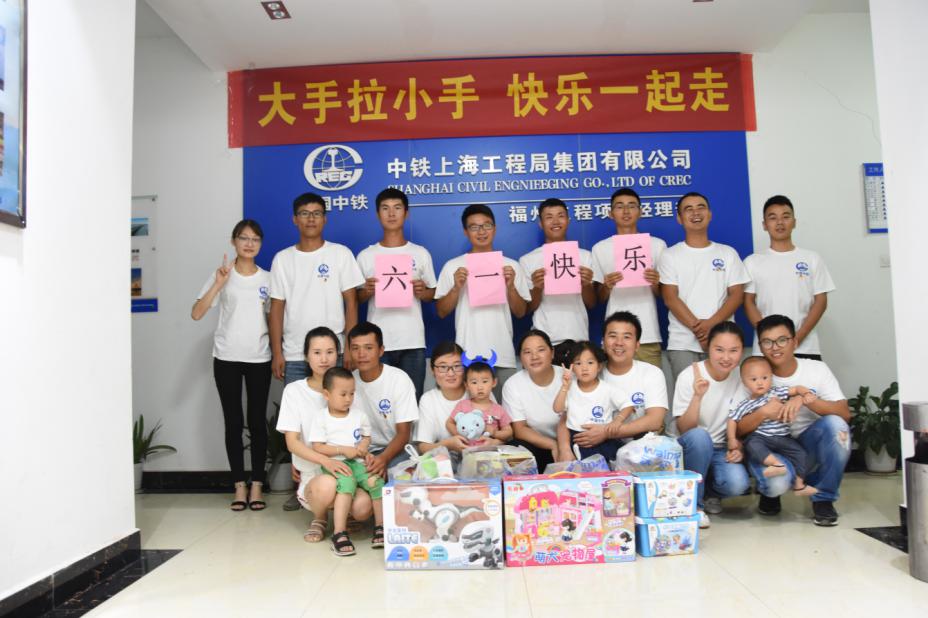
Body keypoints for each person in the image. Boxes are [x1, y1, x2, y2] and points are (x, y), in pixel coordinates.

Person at [735, 314, 850, 526]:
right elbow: (738, 429)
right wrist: (763, 412)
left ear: (795, 342)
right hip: (769, 448)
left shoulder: (816, 369)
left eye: (782, 340)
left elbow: (844, 413)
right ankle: (769, 493)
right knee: (775, 484)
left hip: (807, 444)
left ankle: (823, 498)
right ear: (760, 346)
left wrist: (805, 400)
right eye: (767, 342)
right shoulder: (753, 374)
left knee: (837, 427)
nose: (775, 347)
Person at [191, 219, 272, 511]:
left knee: (257, 423)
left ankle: (257, 484)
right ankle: (239, 485)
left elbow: (275, 319)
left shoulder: (268, 278)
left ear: (260, 244)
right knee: (233, 422)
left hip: (259, 357)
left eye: (255, 239)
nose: (249, 244)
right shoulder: (222, 275)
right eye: (244, 238)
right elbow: (197, 313)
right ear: (233, 241)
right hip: (226, 358)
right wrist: (218, 284)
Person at [275, 327, 373, 544]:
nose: (324, 359)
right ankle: (319, 518)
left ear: (338, 354)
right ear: (306, 356)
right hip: (314, 474)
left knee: (363, 508)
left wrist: (364, 452)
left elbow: (361, 433)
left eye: (330, 352)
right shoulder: (295, 391)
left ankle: (346, 514)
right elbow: (292, 443)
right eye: (317, 352)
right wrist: (325, 461)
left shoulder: (349, 388)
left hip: (349, 470)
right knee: (327, 485)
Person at [435, 204, 531, 399]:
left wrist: (511, 286)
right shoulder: (453, 266)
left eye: (487, 225)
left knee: (504, 414)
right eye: (474, 227)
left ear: (495, 228)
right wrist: (456, 287)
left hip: (502, 354)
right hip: (467, 355)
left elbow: (521, 312)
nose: (481, 232)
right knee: (469, 414)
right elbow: (441, 311)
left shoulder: (511, 266)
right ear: (465, 231)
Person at [269, 192, 364, 385]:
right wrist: (277, 353)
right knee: (299, 405)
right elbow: (276, 309)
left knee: (337, 403)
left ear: (325, 219)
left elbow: (352, 304)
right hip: (294, 353)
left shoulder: (341, 254)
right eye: (304, 213)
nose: (311, 219)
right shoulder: (282, 259)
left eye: (317, 213)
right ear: (295, 219)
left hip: (333, 352)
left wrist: (349, 347)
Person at [356, 188, 437, 400]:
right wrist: (366, 291)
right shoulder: (366, 256)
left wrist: (423, 292)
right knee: (377, 402)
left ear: (406, 213)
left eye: (397, 208)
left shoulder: (420, 253)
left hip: (412, 341)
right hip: (376, 343)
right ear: (378, 214)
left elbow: (432, 293)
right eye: (385, 208)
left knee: (411, 400)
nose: (391, 214)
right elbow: (355, 299)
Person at [660, 192, 750, 379]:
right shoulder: (670, 255)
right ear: (679, 218)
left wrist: (712, 326)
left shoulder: (727, 253)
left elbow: (736, 295)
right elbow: (670, 298)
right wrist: (702, 331)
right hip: (683, 343)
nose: (695, 213)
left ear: (709, 214)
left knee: (725, 394)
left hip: (724, 341)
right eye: (688, 209)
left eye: (701, 207)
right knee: (689, 394)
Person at [670, 322, 751, 528]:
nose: (726, 357)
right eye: (719, 350)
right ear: (708, 348)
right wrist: (698, 396)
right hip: (691, 446)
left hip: (721, 448)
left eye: (733, 350)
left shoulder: (742, 376)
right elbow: (684, 429)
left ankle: (708, 493)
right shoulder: (690, 374)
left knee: (738, 484)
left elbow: (744, 421)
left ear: (742, 351)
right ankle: (695, 507)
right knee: (700, 436)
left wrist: (739, 446)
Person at [743, 195, 836, 360]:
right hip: (766, 349)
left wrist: (798, 337)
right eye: (773, 218)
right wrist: (768, 337)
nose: (780, 222)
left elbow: (821, 301)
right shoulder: (752, 262)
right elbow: (748, 302)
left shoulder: (812, 258)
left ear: (794, 222)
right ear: (764, 225)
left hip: (805, 346)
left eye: (785, 217)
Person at [309, 367, 385, 556]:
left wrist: (363, 447)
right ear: (327, 394)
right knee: (347, 482)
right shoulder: (321, 417)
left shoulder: (359, 415)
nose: (348, 399)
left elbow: (366, 437)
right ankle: (339, 533)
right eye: (343, 394)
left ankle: (381, 527)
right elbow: (318, 447)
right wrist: (342, 450)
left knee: (375, 481)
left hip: (358, 462)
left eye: (352, 393)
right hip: (336, 463)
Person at [592, 189, 667, 368]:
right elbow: (598, 299)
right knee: (613, 385)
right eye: (619, 206)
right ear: (610, 213)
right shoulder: (600, 248)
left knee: (652, 383)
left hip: (648, 334)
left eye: (631, 206)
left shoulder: (657, 245)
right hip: (614, 337)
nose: (626, 211)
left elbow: (665, 295)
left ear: (640, 212)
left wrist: (655, 283)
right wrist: (607, 286)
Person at [727, 356, 818, 496]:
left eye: (764, 378)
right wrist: (732, 438)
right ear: (744, 382)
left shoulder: (777, 392)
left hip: (783, 437)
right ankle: (776, 464)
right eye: (753, 379)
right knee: (751, 443)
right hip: (761, 437)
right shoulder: (746, 404)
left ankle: (799, 485)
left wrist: (805, 393)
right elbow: (732, 419)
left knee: (801, 453)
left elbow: (797, 389)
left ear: (771, 377)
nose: (760, 383)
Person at [518, 198, 597, 355]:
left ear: (568, 220)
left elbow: (591, 303)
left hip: (578, 337)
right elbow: (528, 309)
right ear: (540, 223)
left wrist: (586, 284)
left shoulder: (585, 257)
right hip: (544, 341)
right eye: (549, 217)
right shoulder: (528, 260)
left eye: (560, 216)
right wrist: (537, 288)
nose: (555, 221)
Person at [348, 321, 418, 479]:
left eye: (368, 348)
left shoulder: (399, 379)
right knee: (358, 480)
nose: (361, 354)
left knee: (400, 477)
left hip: (397, 450)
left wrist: (383, 459)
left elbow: (404, 433)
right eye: (355, 348)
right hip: (363, 452)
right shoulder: (348, 382)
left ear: (381, 350)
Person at [554, 341, 635, 461]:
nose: (584, 368)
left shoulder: (607, 389)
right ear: (572, 368)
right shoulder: (569, 388)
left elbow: (628, 405)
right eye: (578, 363)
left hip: (602, 440)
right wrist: (565, 387)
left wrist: (617, 421)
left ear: (599, 366)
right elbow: (557, 409)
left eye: (590, 363)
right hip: (576, 440)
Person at [502, 330, 566, 470]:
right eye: (527, 352)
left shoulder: (567, 377)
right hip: (538, 445)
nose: (534, 357)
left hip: (569, 443)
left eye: (541, 350)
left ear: (552, 352)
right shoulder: (513, 384)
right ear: (521, 358)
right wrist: (552, 445)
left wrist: (564, 447)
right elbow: (519, 429)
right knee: (514, 450)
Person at [598, 311, 668, 436]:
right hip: (599, 445)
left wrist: (605, 434)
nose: (619, 342)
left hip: (642, 445)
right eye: (613, 336)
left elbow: (655, 421)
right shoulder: (592, 374)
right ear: (603, 342)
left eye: (626, 337)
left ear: (637, 345)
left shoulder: (652, 373)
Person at [414, 341, 470, 455]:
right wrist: (448, 445)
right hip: (444, 460)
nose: (451, 373)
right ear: (432, 370)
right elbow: (423, 447)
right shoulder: (428, 400)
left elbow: (500, 434)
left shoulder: (478, 390)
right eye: (443, 367)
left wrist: (493, 442)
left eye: (457, 366)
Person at [445, 362, 513, 446]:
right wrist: (460, 434)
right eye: (474, 382)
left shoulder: (498, 409)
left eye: (484, 381)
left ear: (494, 382)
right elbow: (449, 423)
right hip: (467, 450)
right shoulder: (462, 405)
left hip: (490, 451)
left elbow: (509, 432)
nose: (480, 387)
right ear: (466, 385)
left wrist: (495, 433)